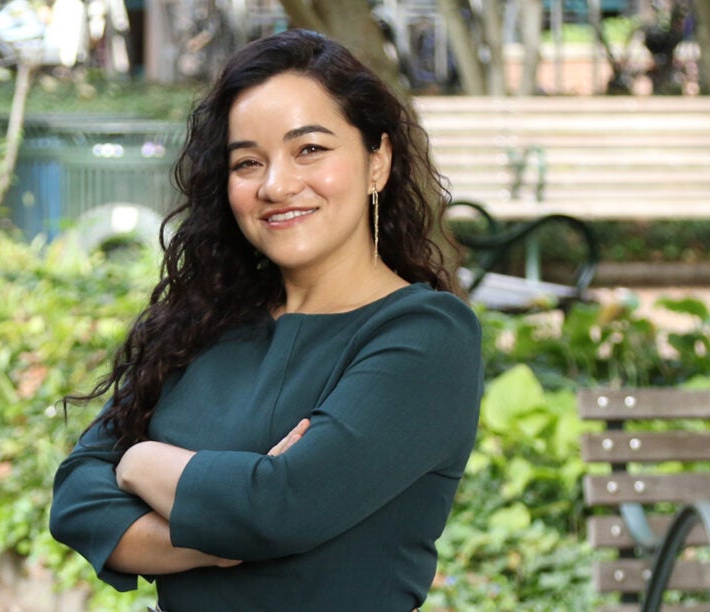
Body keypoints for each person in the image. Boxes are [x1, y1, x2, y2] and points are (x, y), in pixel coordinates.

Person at [49, 28, 483, 612]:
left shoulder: (425, 334)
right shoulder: (205, 324)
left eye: (310, 149)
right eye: (248, 162)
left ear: (377, 160)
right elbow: (77, 497)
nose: (277, 186)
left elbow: (276, 511)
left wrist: (140, 461)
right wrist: (217, 535)